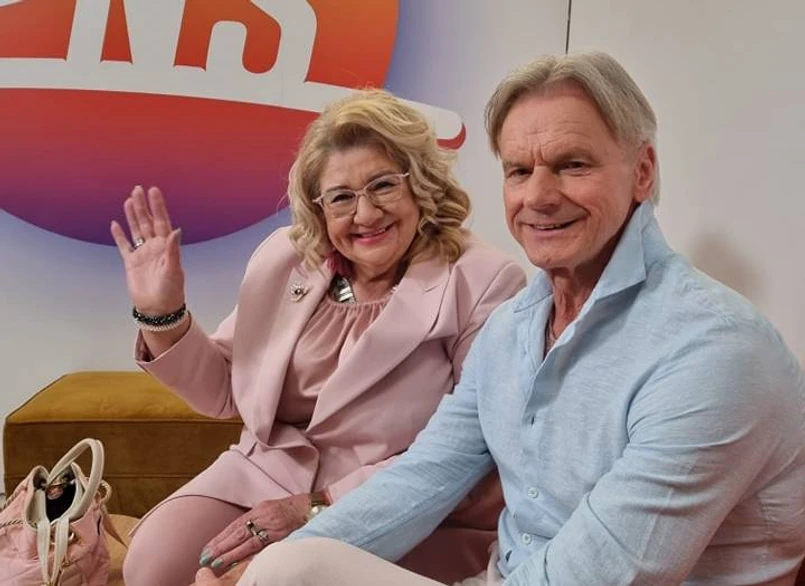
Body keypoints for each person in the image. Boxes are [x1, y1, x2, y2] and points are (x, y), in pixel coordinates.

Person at [216, 51, 805, 586]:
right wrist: (260, 570)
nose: (539, 197)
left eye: (573, 165)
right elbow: (425, 475)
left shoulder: (716, 351)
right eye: (519, 171)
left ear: (642, 171)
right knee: (286, 568)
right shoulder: (512, 327)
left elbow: (603, 574)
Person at [110, 89, 526, 586]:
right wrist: (163, 313)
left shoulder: (483, 280)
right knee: (154, 564)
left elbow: (475, 448)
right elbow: (224, 391)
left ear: (421, 186)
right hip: (267, 475)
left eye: (383, 186)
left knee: (253, 580)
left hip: (401, 503)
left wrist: (313, 508)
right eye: (342, 197)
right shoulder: (286, 258)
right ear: (319, 207)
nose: (365, 214)